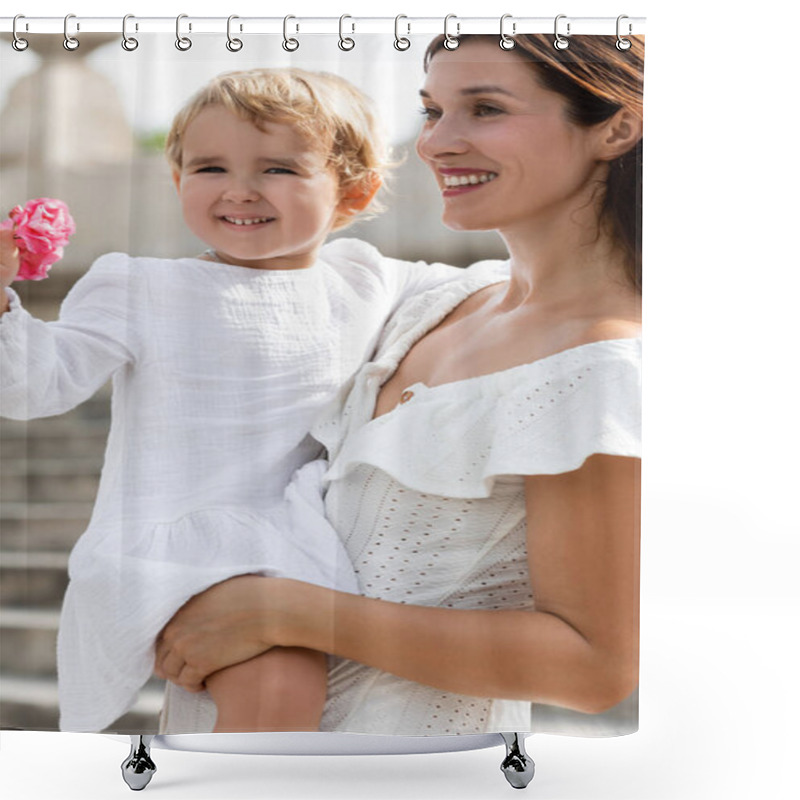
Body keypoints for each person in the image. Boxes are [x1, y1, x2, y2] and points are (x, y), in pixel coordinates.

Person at [153, 33, 644, 738]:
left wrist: (285, 612)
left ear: (616, 127)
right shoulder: (432, 304)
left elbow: (594, 667)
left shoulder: (602, 364)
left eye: (484, 109)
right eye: (432, 110)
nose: (437, 142)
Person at [0, 68, 486, 734]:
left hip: (297, 542)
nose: (239, 190)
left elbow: (503, 286)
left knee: (278, 709)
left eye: (279, 168)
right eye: (209, 167)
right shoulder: (140, 286)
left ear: (353, 193)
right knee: (278, 692)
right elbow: (33, 386)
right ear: (177, 183)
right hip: (176, 540)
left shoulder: (368, 280)